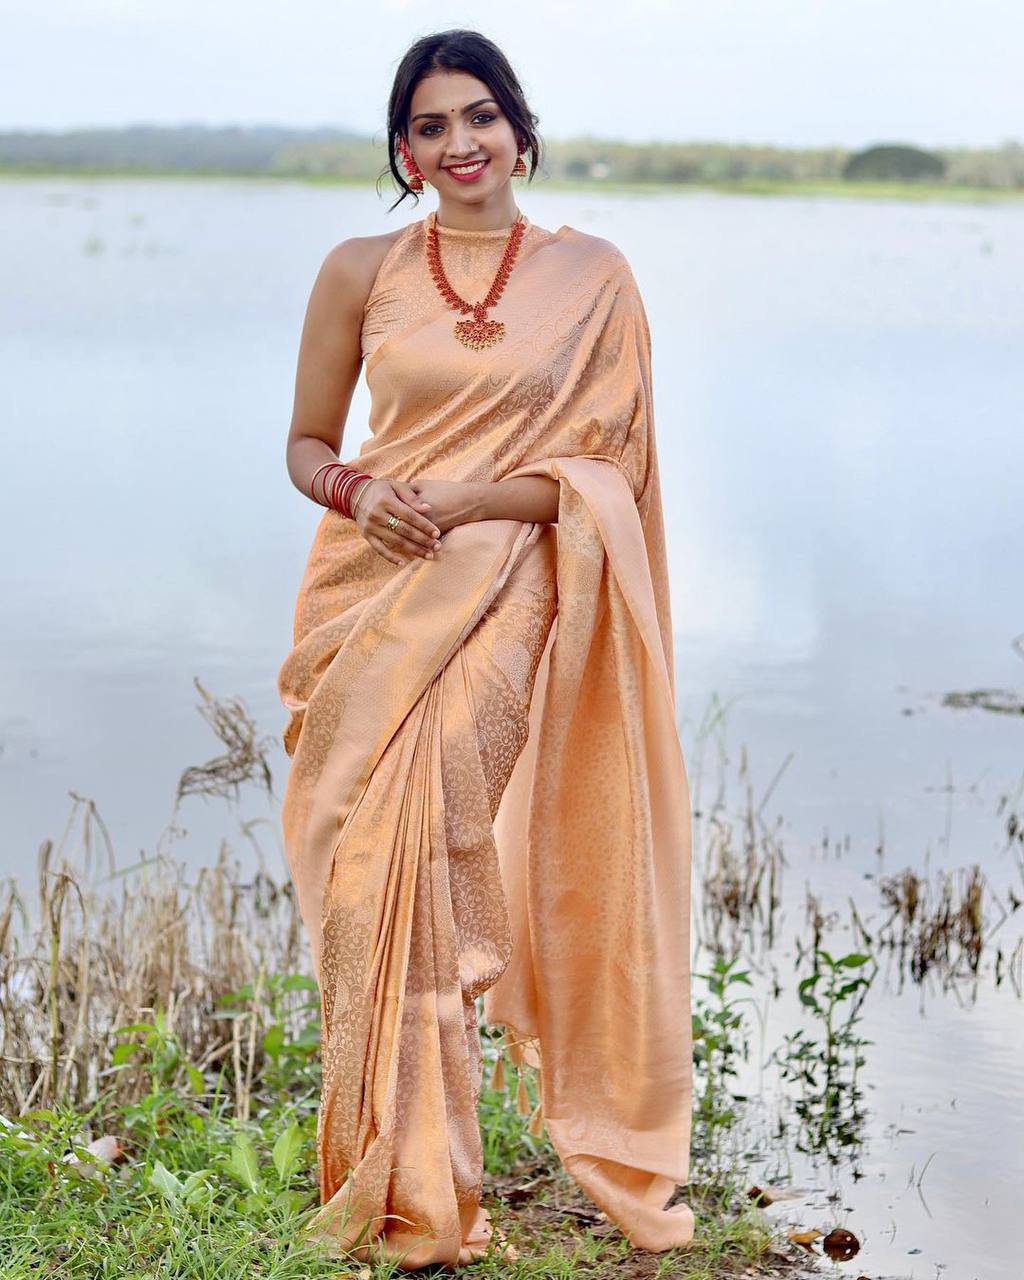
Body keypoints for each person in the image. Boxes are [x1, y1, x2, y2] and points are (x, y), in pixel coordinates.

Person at [276, 27, 696, 1272]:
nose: (458, 143)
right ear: (401, 148)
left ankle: (432, 1184)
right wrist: (358, 491)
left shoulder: (594, 275)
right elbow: (304, 441)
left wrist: (466, 501)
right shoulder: (360, 268)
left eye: (479, 117)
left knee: (441, 837)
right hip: (372, 587)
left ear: (520, 126)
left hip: (511, 579)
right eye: (428, 125)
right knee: (359, 870)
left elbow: (607, 468)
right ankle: (398, 1173)